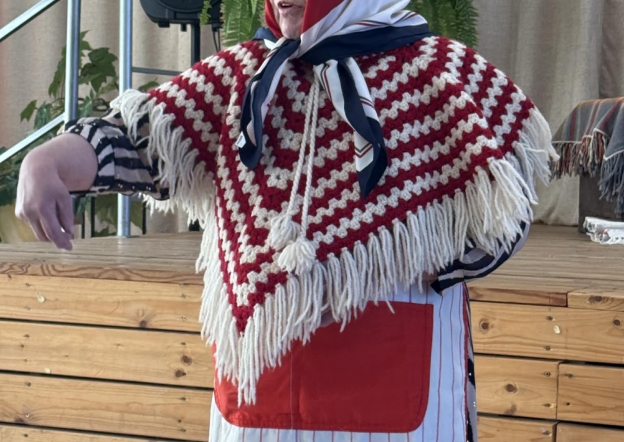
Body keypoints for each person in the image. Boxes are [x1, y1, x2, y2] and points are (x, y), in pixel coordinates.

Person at [16, 0, 558, 440]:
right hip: (261, 403)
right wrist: (48, 160)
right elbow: (141, 140)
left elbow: (509, 190)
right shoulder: (241, 77)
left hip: (397, 394)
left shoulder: (439, 70)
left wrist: (459, 251)